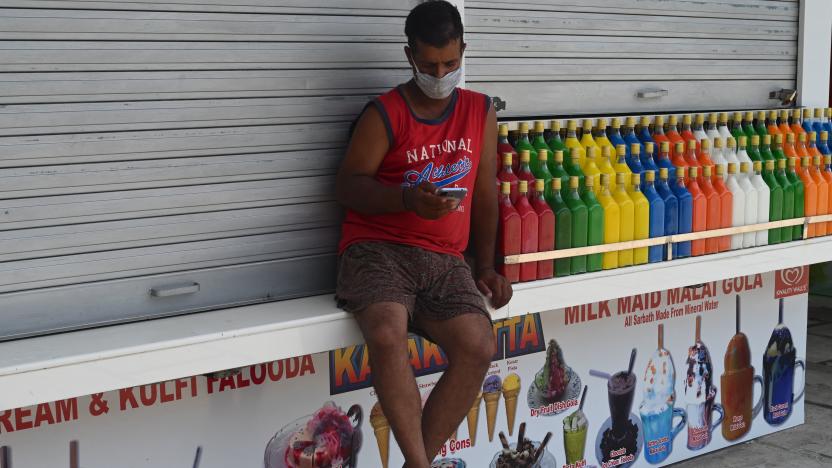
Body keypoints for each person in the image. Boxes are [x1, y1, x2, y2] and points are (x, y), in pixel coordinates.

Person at [334, 1, 512, 466]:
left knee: (478, 344)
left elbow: (486, 195)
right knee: (388, 333)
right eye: (430, 64)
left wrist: (488, 265)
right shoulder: (386, 113)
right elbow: (348, 186)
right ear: (409, 55)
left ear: (463, 52)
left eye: (451, 63)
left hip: (444, 257)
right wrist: (408, 199)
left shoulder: (479, 111)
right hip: (378, 249)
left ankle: (418, 463)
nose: (441, 73)